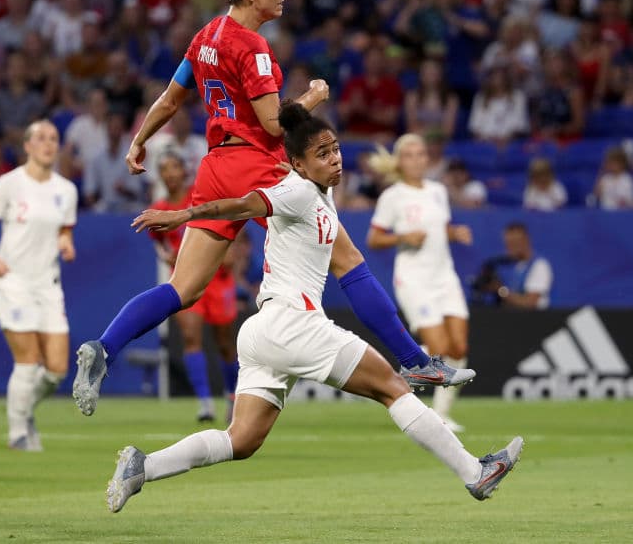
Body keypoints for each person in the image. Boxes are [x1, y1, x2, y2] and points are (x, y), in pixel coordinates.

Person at [72, 0, 472, 418]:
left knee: (183, 288)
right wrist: (312, 97)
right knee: (348, 257)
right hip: (258, 165)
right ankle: (415, 360)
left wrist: (140, 138)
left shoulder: (205, 36)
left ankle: (104, 346)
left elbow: (171, 99)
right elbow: (270, 123)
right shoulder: (254, 47)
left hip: (214, 167)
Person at [105, 102, 522, 513]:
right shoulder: (297, 190)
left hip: (265, 329)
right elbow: (242, 204)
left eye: (336, 148)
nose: (335, 159)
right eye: (322, 154)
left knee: (242, 440)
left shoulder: (321, 197)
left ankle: (144, 466)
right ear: (298, 165)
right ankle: (474, 472)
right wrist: (186, 214)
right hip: (292, 323)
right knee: (393, 387)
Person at [0, 120, 78, 451]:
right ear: (28, 146)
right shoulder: (9, 184)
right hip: (13, 280)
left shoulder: (66, 190)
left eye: (54, 138)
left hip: (48, 283)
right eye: (41, 139)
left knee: (58, 370)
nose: (49, 144)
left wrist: (66, 243)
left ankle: (24, 408)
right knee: (28, 360)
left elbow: (64, 230)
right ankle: (18, 432)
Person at [366, 135, 475, 433]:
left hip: (444, 276)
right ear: (400, 161)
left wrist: (454, 233)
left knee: (459, 346)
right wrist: (403, 237)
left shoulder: (438, 191)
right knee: (439, 347)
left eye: (421, 154)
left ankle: (441, 415)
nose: (417, 159)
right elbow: (374, 238)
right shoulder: (393, 196)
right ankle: (402, 368)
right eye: (410, 155)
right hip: (414, 278)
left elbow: (439, 228)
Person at [148, 152, 239, 423]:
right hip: (186, 277)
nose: (170, 173)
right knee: (190, 337)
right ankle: (205, 404)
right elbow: (158, 239)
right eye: (164, 168)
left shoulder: (200, 197)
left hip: (217, 275)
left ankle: (232, 396)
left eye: (174, 167)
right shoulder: (161, 207)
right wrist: (165, 255)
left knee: (224, 343)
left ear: (184, 171)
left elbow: (230, 221)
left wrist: (232, 251)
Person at [496, 223, 553, 310]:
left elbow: (530, 302)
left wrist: (501, 291)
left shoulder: (540, 265)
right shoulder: (515, 266)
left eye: (514, 243)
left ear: (526, 241)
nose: (510, 248)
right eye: (508, 244)